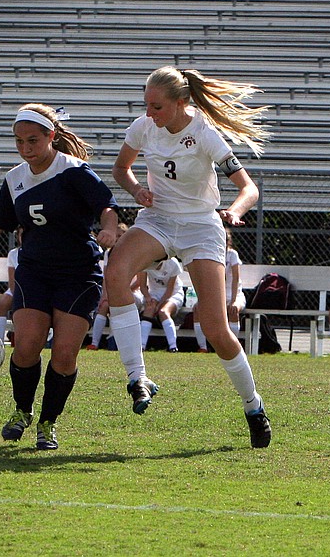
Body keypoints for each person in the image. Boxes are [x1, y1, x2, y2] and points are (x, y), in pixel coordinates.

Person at [0, 103, 119, 450]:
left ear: (51, 137)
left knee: (64, 354)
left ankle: (48, 423)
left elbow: (107, 205)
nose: (26, 149)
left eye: (33, 140)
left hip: (78, 273)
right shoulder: (15, 179)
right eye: (19, 142)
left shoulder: (73, 171)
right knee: (26, 346)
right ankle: (22, 410)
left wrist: (108, 227)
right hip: (35, 271)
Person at [103, 66, 272, 448]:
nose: (149, 113)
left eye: (157, 106)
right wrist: (135, 190)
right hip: (158, 219)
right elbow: (120, 168)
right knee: (116, 272)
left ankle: (253, 405)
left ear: (182, 104)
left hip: (199, 225)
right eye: (146, 104)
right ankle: (137, 376)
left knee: (215, 328)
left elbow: (249, 187)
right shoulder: (143, 126)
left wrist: (236, 211)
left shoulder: (206, 134)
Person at [87, 223, 143, 351]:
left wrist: (121, 291)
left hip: (133, 292)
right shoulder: (109, 253)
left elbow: (139, 281)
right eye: (116, 236)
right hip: (115, 292)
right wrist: (105, 296)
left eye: (121, 236)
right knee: (104, 305)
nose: (118, 239)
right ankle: (94, 343)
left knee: (118, 305)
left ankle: (116, 343)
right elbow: (107, 277)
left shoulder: (135, 252)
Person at [193, 227, 248, 352]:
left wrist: (234, 301)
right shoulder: (210, 255)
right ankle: (203, 347)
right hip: (216, 295)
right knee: (197, 309)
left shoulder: (232, 255)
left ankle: (233, 347)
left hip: (234, 294)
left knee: (233, 310)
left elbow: (235, 278)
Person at [137, 257, 185, 352]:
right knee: (149, 310)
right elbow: (142, 286)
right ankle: (141, 346)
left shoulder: (173, 263)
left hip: (173, 294)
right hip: (154, 293)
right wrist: (148, 298)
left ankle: (173, 346)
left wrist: (159, 306)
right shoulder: (144, 262)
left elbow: (169, 290)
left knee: (163, 312)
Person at [0, 226, 22, 343]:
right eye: (21, 235)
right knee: (3, 303)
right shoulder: (13, 254)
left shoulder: (38, 251)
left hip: (33, 289)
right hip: (16, 289)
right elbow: (12, 281)